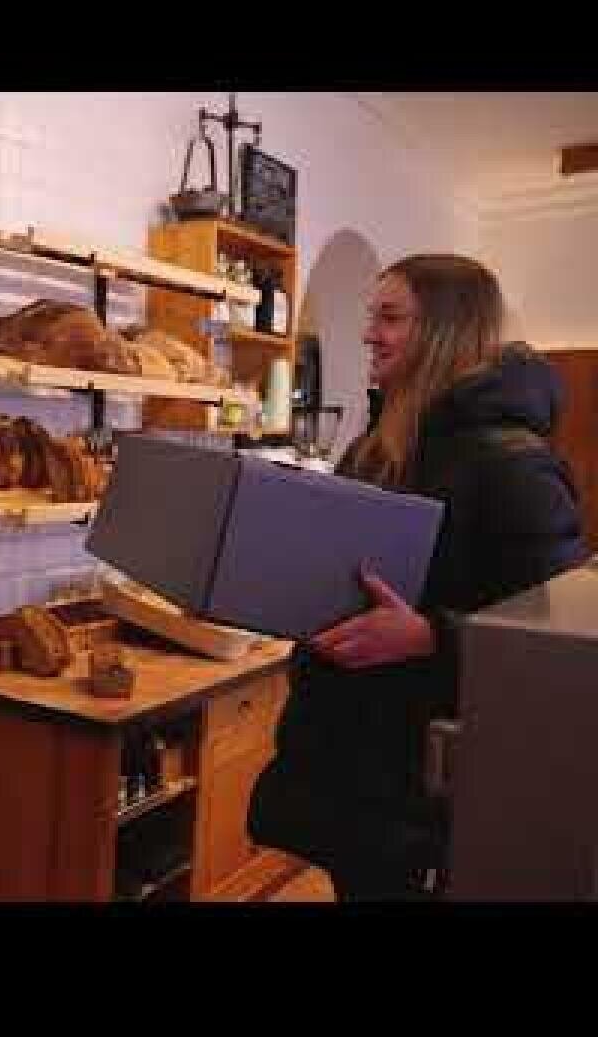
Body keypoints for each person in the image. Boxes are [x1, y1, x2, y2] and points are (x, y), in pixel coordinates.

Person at [248, 253, 588, 901]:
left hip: (425, 799)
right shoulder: (382, 440)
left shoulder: (514, 464)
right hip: (355, 777)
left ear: (446, 331)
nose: (369, 333)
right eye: (369, 315)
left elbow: (561, 648)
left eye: (390, 317)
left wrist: (432, 636)